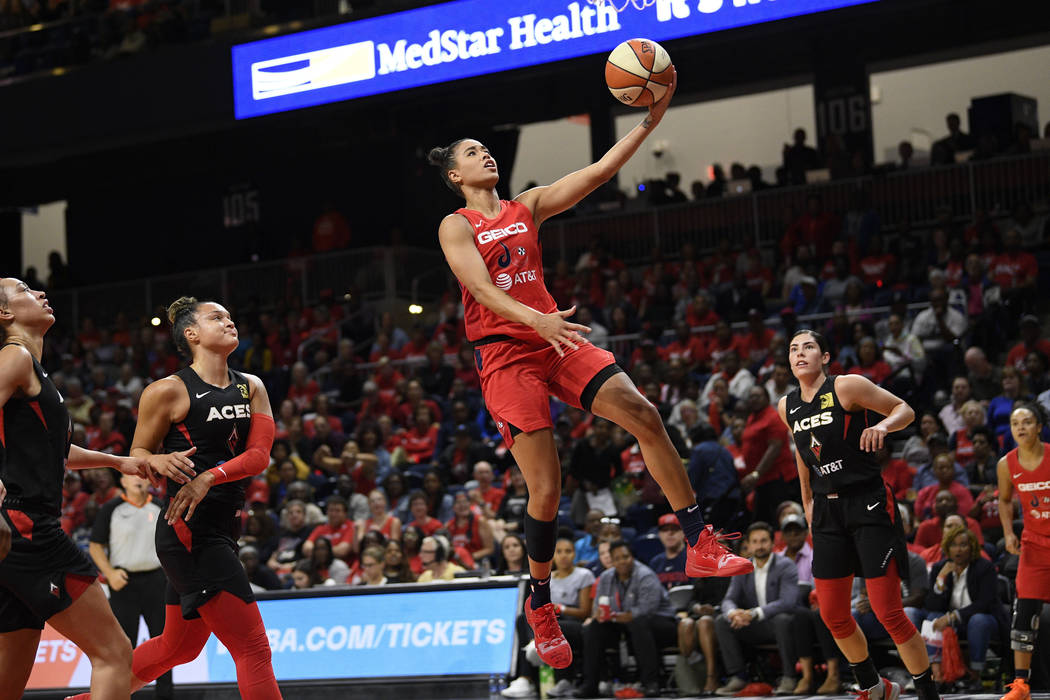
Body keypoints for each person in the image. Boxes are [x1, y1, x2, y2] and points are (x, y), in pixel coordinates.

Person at [428, 84, 751, 667]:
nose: (486, 157)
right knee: (547, 491)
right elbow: (478, 288)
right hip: (507, 353)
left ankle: (701, 542)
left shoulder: (527, 204)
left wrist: (649, 124)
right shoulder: (456, 225)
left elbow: (600, 171)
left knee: (645, 416)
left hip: (555, 338)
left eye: (486, 150)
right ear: (455, 175)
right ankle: (542, 604)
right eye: (473, 153)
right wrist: (538, 320)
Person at [68, 297, 282, 700]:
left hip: (220, 528)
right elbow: (138, 455)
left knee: (178, 648)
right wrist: (158, 460)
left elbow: (258, 457)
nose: (229, 322)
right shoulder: (167, 390)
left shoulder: (251, 386)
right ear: (191, 334)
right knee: (253, 648)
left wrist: (208, 477)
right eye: (217, 317)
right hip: (189, 532)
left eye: (231, 317)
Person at [0, 278, 158, 700]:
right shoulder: (14, 357)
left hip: (14, 534)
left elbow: (55, 449)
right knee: (113, 652)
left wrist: (116, 460)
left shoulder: (31, 369)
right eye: (24, 291)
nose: (39, 292)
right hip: (26, 526)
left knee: (7, 686)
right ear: (5, 314)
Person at [780, 329, 939, 700]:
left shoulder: (846, 387)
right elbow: (804, 456)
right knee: (832, 614)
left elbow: (905, 410)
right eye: (793, 349)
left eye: (808, 347)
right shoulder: (786, 405)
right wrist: (807, 505)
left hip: (867, 502)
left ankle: (929, 692)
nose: (799, 353)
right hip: (826, 511)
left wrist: (882, 425)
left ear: (825, 357)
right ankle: (874, 686)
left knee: (889, 612)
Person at [89, 474, 172, 700]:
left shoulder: (159, 507)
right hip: (123, 584)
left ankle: (166, 696)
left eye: (142, 476)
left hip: (156, 581)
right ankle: (122, 695)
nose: (137, 479)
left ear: (149, 482)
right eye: (131, 475)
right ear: (122, 481)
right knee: (124, 648)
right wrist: (109, 573)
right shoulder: (111, 509)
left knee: (165, 645)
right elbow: (95, 546)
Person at [997, 403, 1050, 700]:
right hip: (1033, 545)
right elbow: (1005, 501)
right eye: (1016, 423)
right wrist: (1007, 532)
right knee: (1024, 614)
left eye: (1028, 422)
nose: (1020, 428)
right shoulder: (1006, 464)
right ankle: (1021, 685)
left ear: (1039, 427)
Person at [578, 540, 677, 698]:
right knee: (594, 627)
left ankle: (650, 682)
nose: (621, 561)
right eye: (617, 558)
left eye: (625, 557)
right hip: (622, 621)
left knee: (638, 623)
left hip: (660, 621)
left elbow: (646, 610)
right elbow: (598, 607)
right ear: (612, 560)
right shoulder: (605, 577)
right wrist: (602, 615)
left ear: (632, 557)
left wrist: (616, 616)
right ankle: (590, 684)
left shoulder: (645, 575)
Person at [713, 522, 800, 696]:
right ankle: (738, 676)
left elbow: (787, 601)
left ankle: (790, 677)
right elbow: (728, 600)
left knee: (782, 620)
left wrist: (753, 613)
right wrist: (734, 613)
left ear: (772, 543)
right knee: (723, 621)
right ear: (749, 544)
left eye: (763, 541)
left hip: (781, 623)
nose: (759, 546)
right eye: (755, 541)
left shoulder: (785, 566)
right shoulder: (742, 566)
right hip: (756, 625)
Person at [923, 524, 1007, 691]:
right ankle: (938, 676)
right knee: (932, 617)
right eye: (953, 545)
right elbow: (932, 605)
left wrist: (953, 616)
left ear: (972, 547)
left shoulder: (984, 567)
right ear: (947, 548)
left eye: (963, 544)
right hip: (955, 623)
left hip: (985, 620)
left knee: (978, 621)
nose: (958, 549)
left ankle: (975, 677)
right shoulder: (940, 568)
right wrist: (940, 580)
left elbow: (985, 603)